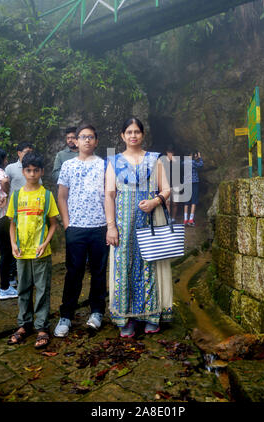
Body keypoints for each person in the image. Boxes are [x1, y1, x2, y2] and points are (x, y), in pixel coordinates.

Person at [105, 117, 172, 338]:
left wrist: (155, 202)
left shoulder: (155, 160)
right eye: (129, 132)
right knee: (123, 267)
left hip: (151, 221)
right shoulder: (114, 161)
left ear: (143, 135)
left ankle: (151, 315)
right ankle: (126, 318)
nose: (133, 135)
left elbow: (167, 189)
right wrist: (111, 227)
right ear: (122, 136)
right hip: (123, 225)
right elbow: (109, 195)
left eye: (137, 132)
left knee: (149, 265)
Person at [54, 123, 109, 337]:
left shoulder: (104, 165)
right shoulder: (68, 165)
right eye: (83, 137)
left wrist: (110, 224)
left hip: (99, 227)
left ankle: (97, 312)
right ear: (75, 141)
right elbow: (62, 196)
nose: (87, 140)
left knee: (98, 272)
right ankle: (66, 316)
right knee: (73, 272)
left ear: (96, 141)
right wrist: (67, 225)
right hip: (75, 227)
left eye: (91, 137)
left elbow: (110, 195)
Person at [6, 151, 59, 349]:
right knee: (23, 289)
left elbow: (53, 223)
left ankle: (42, 327)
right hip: (21, 253)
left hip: (40, 253)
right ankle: (23, 324)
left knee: (43, 289)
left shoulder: (46, 195)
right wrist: (13, 244)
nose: (32, 174)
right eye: (28, 170)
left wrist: (45, 243)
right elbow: (12, 223)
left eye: (36, 171)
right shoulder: (17, 196)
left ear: (41, 172)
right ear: (23, 171)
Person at [5, 141, 39, 287]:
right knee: (14, 242)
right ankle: (12, 276)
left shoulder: (34, 169)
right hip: (16, 210)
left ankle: (30, 275)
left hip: (32, 211)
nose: (28, 154)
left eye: (30, 152)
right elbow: (5, 185)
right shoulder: (11, 168)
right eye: (26, 152)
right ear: (18, 153)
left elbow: (39, 186)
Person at [0, 149, 18, 299]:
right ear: (1, 159)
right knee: (6, 253)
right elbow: (5, 181)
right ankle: (5, 288)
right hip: (0, 218)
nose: (6, 160)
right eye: (5, 158)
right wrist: (5, 193)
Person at [184, 150, 203, 227]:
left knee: (186, 201)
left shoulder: (184, 162)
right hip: (194, 182)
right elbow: (200, 165)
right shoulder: (193, 163)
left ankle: (185, 220)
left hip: (186, 183)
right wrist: (200, 158)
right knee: (194, 200)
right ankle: (191, 220)